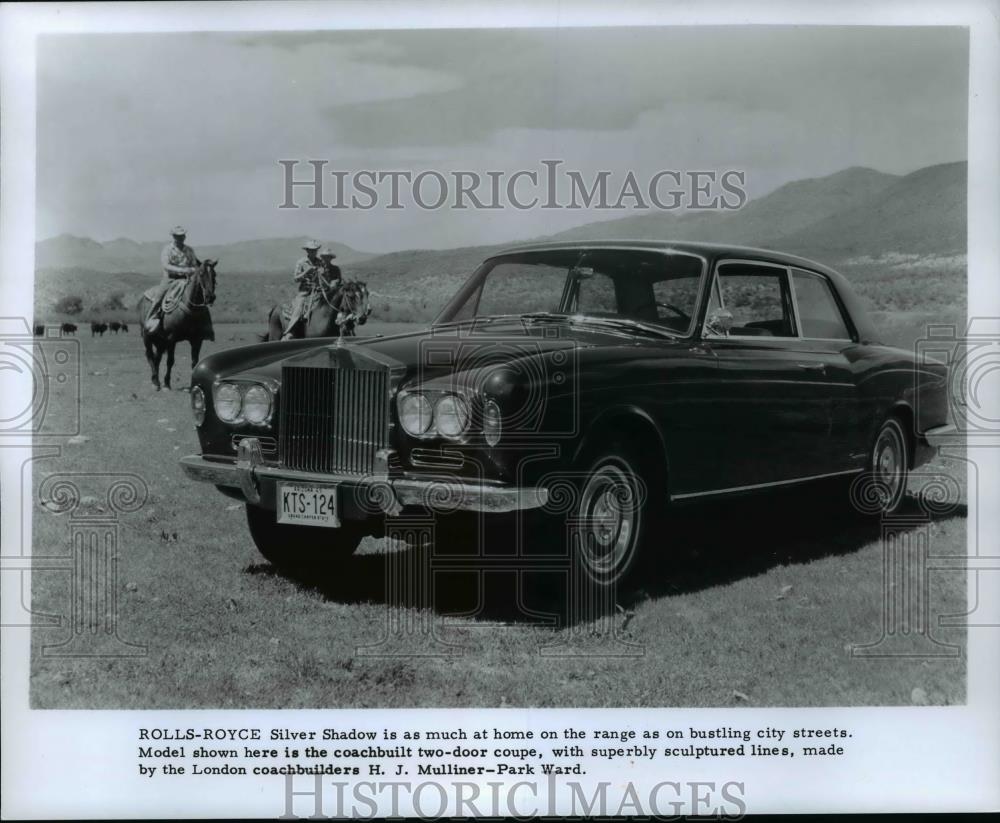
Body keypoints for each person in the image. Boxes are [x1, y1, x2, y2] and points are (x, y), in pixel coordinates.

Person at [144, 226, 200, 333]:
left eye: (182, 236)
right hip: (170, 279)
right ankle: (150, 320)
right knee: (158, 298)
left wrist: (192, 270)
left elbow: (194, 264)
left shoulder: (189, 250)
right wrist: (184, 270)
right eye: (178, 236)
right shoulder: (167, 249)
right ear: (174, 237)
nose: (180, 238)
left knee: (200, 296)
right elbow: (166, 265)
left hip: (187, 279)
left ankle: (206, 327)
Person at [282, 240, 323, 339]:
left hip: (318, 290)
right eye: (311, 250)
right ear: (307, 251)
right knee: (299, 307)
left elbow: (323, 276)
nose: (313, 252)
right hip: (305, 291)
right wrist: (306, 272)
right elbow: (296, 278)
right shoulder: (301, 262)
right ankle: (290, 331)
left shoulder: (320, 262)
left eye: (315, 250)